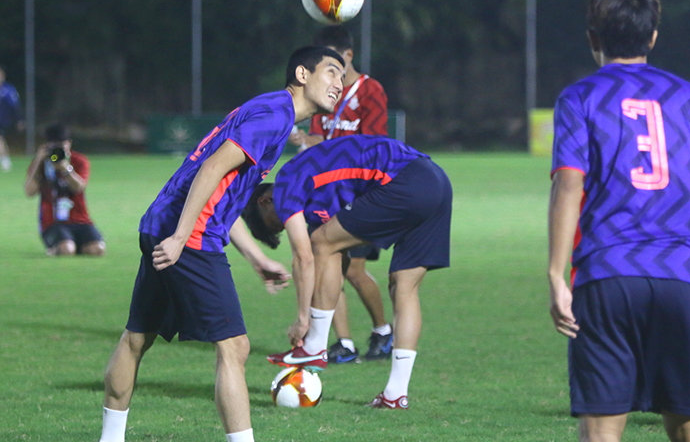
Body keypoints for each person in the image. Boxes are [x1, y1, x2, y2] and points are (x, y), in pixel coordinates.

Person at [98, 46, 345, 442]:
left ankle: (110, 438)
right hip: (188, 236)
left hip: (163, 223)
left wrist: (256, 257)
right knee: (234, 346)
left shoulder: (269, 108)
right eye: (331, 72)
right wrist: (181, 237)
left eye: (343, 77)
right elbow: (213, 168)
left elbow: (224, 193)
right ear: (302, 74)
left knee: (137, 337)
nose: (339, 83)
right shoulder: (275, 116)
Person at [547, 0, 690, 442]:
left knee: (601, 428)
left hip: (606, 274)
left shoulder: (579, 97)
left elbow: (569, 183)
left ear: (593, 37)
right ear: (653, 36)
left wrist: (556, 274)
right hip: (679, 277)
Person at [244, 135, 453, 409]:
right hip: (436, 181)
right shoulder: (318, 194)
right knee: (404, 286)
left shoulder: (287, 182)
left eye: (276, 224)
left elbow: (305, 256)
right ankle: (395, 395)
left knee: (321, 241)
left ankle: (315, 347)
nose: (285, 225)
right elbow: (335, 259)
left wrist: (303, 320)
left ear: (264, 201)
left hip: (405, 180)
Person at [288, 26, 392, 364]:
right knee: (328, 263)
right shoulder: (325, 93)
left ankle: (383, 332)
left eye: (334, 62)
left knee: (354, 270)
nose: (329, 71)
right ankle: (343, 343)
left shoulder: (370, 90)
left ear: (348, 56)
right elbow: (319, 138)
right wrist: (304, 140)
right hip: (328, 192)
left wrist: (327, 148)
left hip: (361, 193)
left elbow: (373, 143)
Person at [24, 123, 106, 256]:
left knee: (98, 250)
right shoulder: (41, 163)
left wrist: (65, 168)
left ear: (69, 143)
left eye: (61, 146)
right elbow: (29, 192)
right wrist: (38, 161)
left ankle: (72, 245)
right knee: (67, 249)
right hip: (53, 222)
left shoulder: (79, 161)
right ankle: (63, 247)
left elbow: (79, 187)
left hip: (80, 219)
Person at [0, 65, 23, 172]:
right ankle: (5, 160)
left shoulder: (8, 90)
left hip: (3, 120)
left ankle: (5, 161)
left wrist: (19, 120)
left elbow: (15, 106)